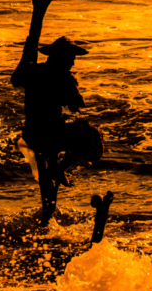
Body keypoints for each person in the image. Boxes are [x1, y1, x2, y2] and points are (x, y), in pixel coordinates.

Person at [11, 35, 103, 219]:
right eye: (71, 59)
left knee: (53, 134)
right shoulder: (65, 78)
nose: (73, 63)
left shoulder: (33, 71)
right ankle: (60, 167)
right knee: (92, 133)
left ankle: (53, 167)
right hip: (50, 134)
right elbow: (76, 105)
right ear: (61, 57)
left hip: (32, 134)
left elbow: (16, 80)